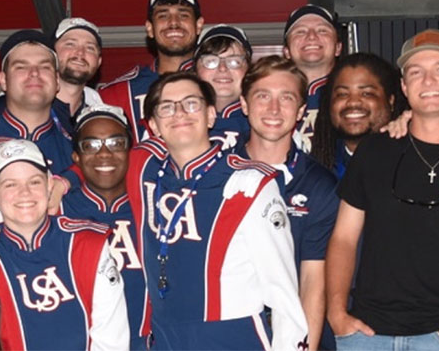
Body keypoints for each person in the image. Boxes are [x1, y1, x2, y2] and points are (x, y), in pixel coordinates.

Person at [326, 30, 439, 350]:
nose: (428, 80)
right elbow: (343, 238)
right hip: (367, 336)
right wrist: (337, 313)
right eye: (416, 72)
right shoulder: (374, 151)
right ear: (404, 86)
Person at [126, 71, 308, 349]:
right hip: (165, 336)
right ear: (153, 125)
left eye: (191, 103)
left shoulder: (249, 183)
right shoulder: (143, 169)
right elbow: (93, 158)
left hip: (231, 336)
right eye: (167, 107)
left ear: (211, 115)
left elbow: (282, 291)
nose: (180, 113)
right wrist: (65, 181)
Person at [0, 139, 130, 350]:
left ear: (49, 185)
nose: (25, 193)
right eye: (10, 184)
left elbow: (112, 342)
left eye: (34, 182)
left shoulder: (89, 243)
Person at [232, 55, 339, 350]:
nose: (274, 109)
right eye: (263, 96)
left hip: (293, 334)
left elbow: (313, 281)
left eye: (287, 98)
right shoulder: (217, 176)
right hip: (232, 333)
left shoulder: (320, 184)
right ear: (244, 104)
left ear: (301, 111)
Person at [60, 104, 148, 349]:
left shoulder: (152, 205)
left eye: (116, 143)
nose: (105, 153)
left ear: (130, 151)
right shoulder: (57, 210)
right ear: (76, 158)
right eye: (91, 145)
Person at [100, 0, 204, 142]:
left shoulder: (221, 84)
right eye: (163, 16)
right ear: (149, 28)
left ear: (198, 25)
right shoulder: (117, 95)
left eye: (183, 15)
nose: (174, 23)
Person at [0, 29, 76, 175]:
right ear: (3, 80)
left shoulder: (75, 150)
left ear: (57, 81)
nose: (34, 73)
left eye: (44, 67)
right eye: (21, 67)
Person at [309, 52, 403, 178]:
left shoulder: (410, 160)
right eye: (342, 94)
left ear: (390, 101)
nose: (353, 102)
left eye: (367, 93)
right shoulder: (316, 171)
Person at [283, 4, 344, 152]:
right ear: (287, 52)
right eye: (300, 32)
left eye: (322, 30)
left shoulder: (360, 96)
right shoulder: (267, 100)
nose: (311, 36)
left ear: (338, 48)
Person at [194, 24, 252, 149]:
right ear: (195, 71)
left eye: (234, 61)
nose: (222, 68)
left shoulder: (263, 120)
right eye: (210, 61)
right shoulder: (179, 120)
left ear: (248, 70)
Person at [52, 17, 106, 132]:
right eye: (70, 44)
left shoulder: (101, 117)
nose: (80, 53)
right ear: (51, 54)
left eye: (90, 48)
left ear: (98, 61)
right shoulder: (23, 108)